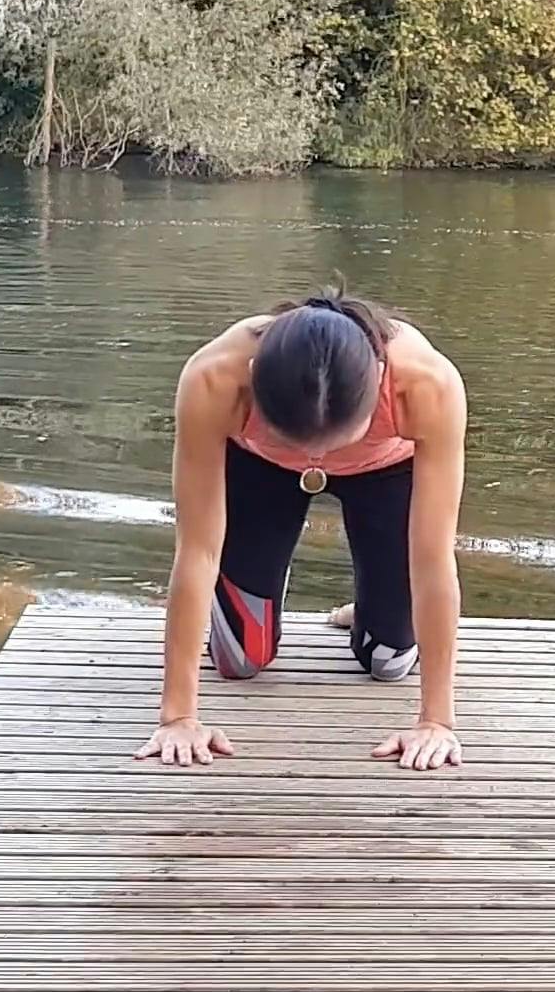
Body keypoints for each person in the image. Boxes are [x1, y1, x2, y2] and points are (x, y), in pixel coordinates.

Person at [135, 290, 467, 771]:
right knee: (240, 661)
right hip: (261, 468)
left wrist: (437, 722)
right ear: (253, 380)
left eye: (331, 446)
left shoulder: (427, 385)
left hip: (385, 471)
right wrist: (178, 716)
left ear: (377, 381)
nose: (317, 460)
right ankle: (266, 585)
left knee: (389, 664)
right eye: (302, 445)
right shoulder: (214, 378)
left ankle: (370, 609)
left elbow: (433, 558)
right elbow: (197, 549)